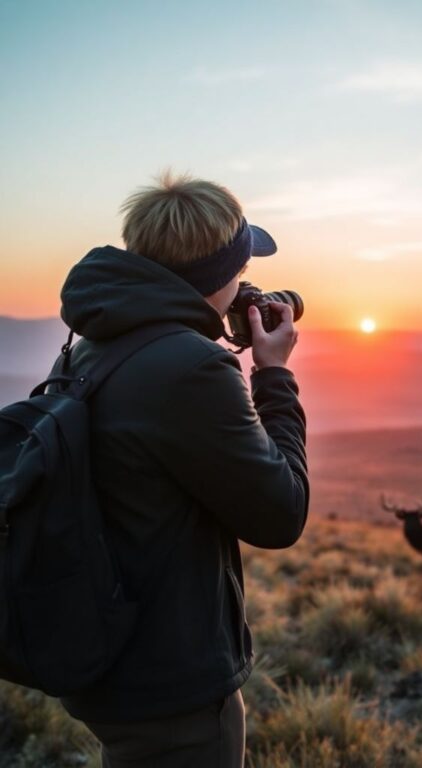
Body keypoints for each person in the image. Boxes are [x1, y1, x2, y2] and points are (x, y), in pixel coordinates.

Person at [55, 171, 309, 767]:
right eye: (242, 273)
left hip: (112, 660)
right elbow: (282, 515)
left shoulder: (96, 340)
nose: (247, 286)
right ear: (220, 275)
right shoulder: (189, 368)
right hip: (173, 683)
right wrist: (274, 376)